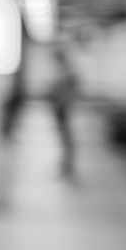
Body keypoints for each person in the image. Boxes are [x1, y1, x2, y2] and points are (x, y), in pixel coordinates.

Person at [48, 50, 81, 178]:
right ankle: (66, 162)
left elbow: (72, 91)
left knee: (67, 137)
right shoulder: (64, 72)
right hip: (60, 107)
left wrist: (65, 100)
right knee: (64, 137)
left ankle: (69, 164)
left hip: (63, 107)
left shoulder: (67, 73)